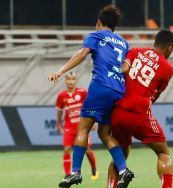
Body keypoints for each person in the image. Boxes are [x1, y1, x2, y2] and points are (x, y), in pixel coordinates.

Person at [48, 4, 134, 188]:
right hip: (118, 90)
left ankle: (75, 172)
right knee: (104, 133)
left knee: (83, 130)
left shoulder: (95, 35)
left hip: (101, 86)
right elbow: (126, 68)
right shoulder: (124, 42)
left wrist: (61, 71)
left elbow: (82, 53)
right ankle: (123, 169)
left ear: (99, 22)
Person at [107, 29, 173, 188]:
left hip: (117, 111)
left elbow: (122, 71)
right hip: (139, 113)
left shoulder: (135, 51)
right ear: (170, 47)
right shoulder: (168, 68)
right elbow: (154, 96)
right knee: (163, 153)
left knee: (121, 155)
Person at [55, 72, 99, 180]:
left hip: (82, 127)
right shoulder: (62, 96)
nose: (71, 81)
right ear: (65, 81)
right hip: (69, 127)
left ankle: (94, 169)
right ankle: (67, 174)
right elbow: (60, 110)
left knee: (87, 150)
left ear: (76, 81)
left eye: (73, 79)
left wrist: (94, 121)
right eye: (69, 79)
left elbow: (91, 106)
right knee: (67, 149)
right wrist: (58, 124)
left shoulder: (83, 92)